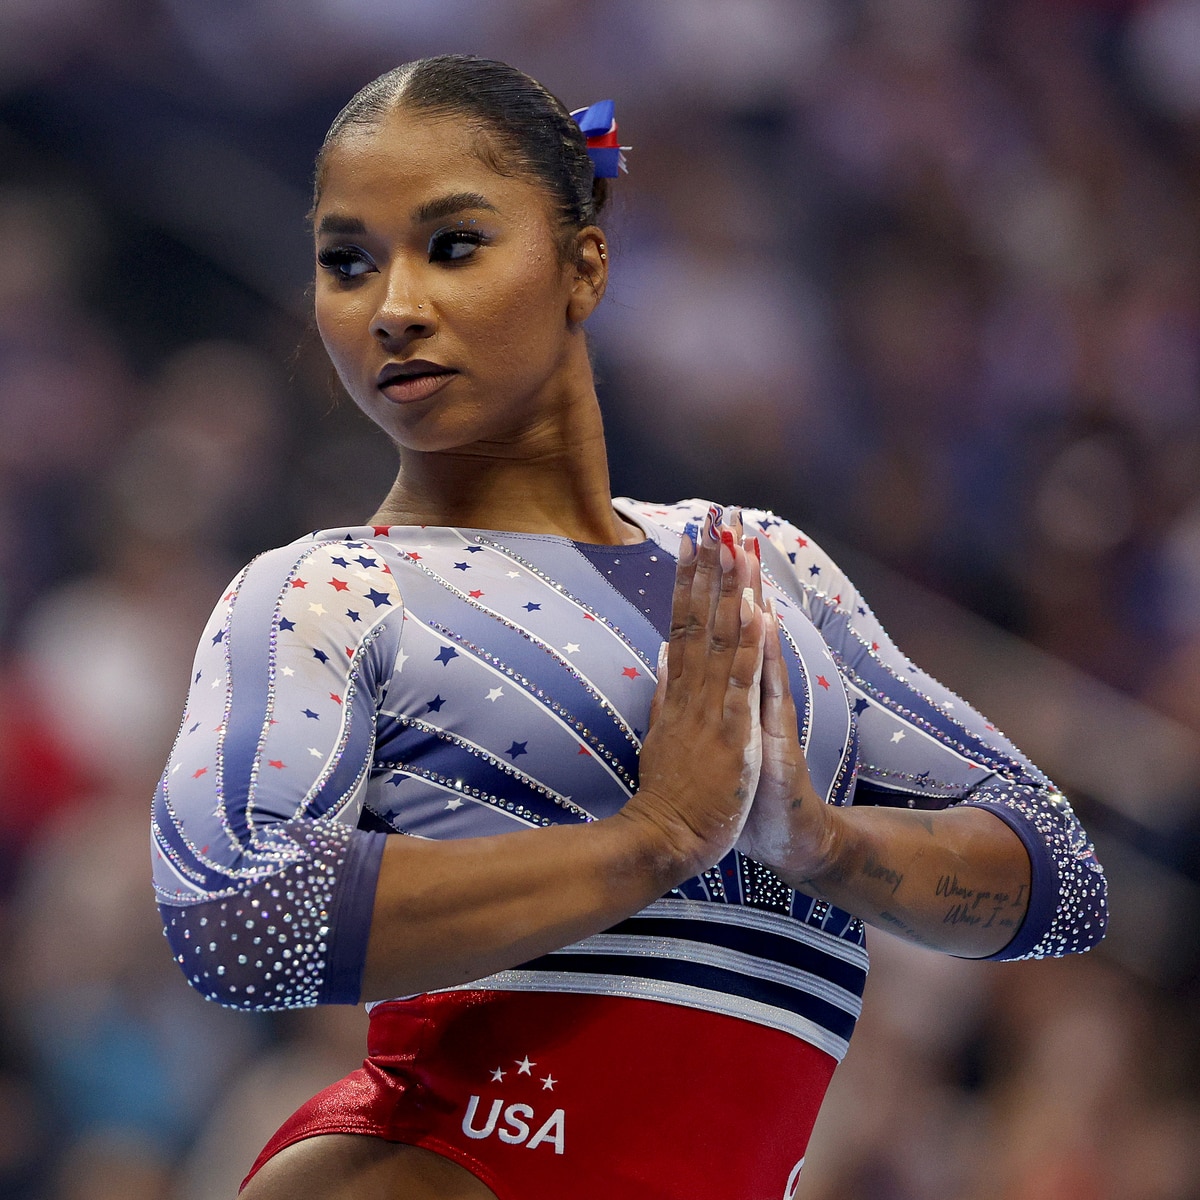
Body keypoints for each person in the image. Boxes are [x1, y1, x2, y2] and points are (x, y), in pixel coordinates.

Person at [151, 54, 1108, 1200]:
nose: (395, 306)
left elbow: (1059, 875)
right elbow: (235, 913)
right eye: (348, 261)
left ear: (583, 265)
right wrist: (647, 841)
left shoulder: (762, 569)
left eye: (453, 244)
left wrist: (825, 845)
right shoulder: (330, 589)